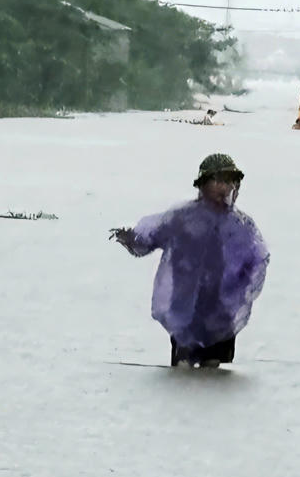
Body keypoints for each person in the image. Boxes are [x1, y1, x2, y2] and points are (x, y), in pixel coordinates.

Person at [110, 153, 270, 368]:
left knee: (213, 367)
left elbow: (258, 259)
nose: (225, 187)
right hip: (185, 306)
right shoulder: (182, 217)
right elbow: (150, 238)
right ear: (203, 185)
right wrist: (130, 238)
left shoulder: (241, 226)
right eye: (218, 180)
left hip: (220, 310)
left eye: (229, 181)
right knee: (183, 365)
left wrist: (240, 287)